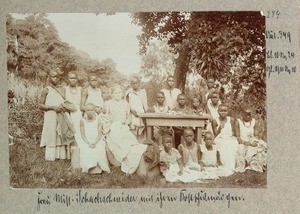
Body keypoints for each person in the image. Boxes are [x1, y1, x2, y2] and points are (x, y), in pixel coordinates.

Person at [105, 85, 148, 174]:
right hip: (113, 126)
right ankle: (120, 160)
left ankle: (131, 160)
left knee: (130, 142)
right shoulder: (108, 103)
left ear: (122, 93)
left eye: (119, 92)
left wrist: (126, 123)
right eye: (115, 93)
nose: (118, 95)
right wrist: (111, 125)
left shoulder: (125, 103)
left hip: (123, 126)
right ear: (112, 94)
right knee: (117, 138)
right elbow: (105, 117)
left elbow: (128, 117)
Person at [39, 70, 73, 161]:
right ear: (49, 77)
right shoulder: (46, 90)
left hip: (61, 114)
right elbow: (40, 105)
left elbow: (67, 102)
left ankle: (61, 156)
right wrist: (52, 107)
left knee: (61, 133)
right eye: (53, 76)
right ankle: (50, 157)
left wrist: (65, 107)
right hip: (51, 114)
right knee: (51, 133)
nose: (55, 78)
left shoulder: (63, 89)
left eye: (57, 77)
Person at [74, 103, 110, 174]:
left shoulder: (98, 119)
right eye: (87, 110)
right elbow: (83, 134)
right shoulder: (82, 120)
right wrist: (88, 142)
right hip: (86, 139)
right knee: (86, 149)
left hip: (97, 139)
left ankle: (100, 167)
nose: (89, 112)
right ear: (85, 111)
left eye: (91, 110)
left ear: (94, 111)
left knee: (99, 148)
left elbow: (100, 133)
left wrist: (95, 142)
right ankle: (90, 167)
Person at [235, 105, 267, 173]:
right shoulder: (238, 122)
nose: (248, 116)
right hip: (243, 142)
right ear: (242, 114)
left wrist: (254, 141)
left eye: (250, 115)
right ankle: (250, 164)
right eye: (246, 115)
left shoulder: (254, 121)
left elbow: (256, 135)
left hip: (252, 141)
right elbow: (237, 137)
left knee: (262, 146)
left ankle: (261, 163)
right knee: (242, 149)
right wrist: (246, 143)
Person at [212, 104, 238, 172]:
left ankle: (231, 165)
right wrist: (219, 129)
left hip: (229, 137)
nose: (223, 112)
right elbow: (215, 135)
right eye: (221, 111)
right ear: (218, 111)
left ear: (227, 111)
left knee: (232, 144)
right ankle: (224, 164)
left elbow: (233, 132)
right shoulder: (215, 121)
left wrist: (230, 135)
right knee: (223, 144)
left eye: (225, 111)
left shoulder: (231, 119)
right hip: (219, 138)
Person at [125, 75, 148, 140]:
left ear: (139, 83)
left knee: (141, 130)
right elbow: (126, 104)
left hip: (141, 114)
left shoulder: (143, 92)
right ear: (131, 84)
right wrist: (132, 111)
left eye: (136, 83)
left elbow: (145, 105)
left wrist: (143, 113)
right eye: (133, 83)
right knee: (133, 131)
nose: (135, 85)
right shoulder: (129, 93)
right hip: (132, 114)